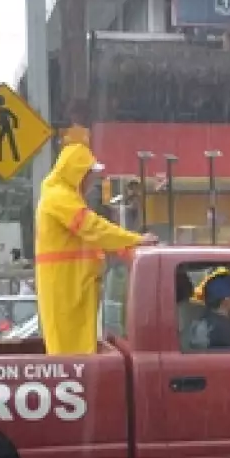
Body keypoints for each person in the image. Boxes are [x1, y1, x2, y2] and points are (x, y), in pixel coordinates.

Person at [35, 142, 156, 355]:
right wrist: (133, 240)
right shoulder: (59, 197)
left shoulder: (65, 197)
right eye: (88, 174)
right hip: (66, 287)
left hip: (73, 286)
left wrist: (128, 250)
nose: (91, 180)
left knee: (77, 350)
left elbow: (94, 236)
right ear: (77, 173)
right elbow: (93, 228)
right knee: (71, 354)